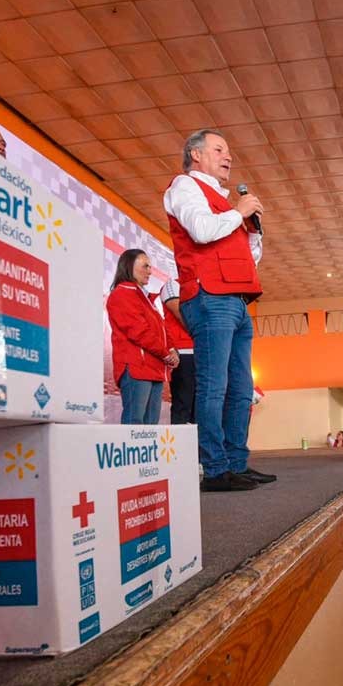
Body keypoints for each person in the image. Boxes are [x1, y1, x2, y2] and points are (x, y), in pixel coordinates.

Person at [165, 128, 273, 492]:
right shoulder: (184, 186)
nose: (228, 156)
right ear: (196, 155)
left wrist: (253, 232)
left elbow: (248, 258)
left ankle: (235, 462)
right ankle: (213, 468)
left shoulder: (227, 206)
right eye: (218, 149)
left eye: (228, 151)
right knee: (214, 386)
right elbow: (200, 230)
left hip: (237, 300)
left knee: (241, 389)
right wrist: (238, 212)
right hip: (209, 296)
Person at [106, 250, 177, 425]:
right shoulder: (122, 294)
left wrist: (172, 349)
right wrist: (165, 353)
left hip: (154, 368)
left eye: (150, 267)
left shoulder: (145, 298)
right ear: (129, 266)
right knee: (135, 424)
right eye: (145, 266)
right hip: (137, 368)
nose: (150, 271)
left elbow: (162, 329)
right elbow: (138, 331)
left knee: (150, 427)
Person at [159, 276, 197, 424]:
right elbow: (180, 313)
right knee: (183, 403)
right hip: (183, 352)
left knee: (199, 406)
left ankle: (198, 439)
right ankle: (181, 438)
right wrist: (201, 333)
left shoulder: (205, 287)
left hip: (201, 352)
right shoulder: (173, 284)